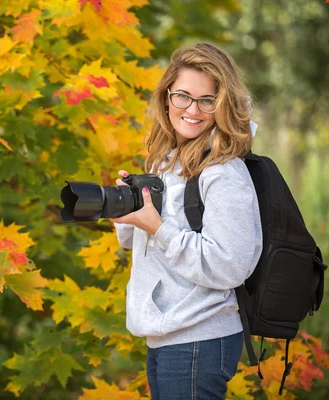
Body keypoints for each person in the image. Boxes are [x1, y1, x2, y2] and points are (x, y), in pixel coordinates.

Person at [108, 43, 263, 399]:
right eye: (183, 96)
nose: (193, 110)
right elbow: (139, 244)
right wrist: (127, 212)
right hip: (167, 331)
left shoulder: (223, 171)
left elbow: (229, 265)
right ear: (166, 98)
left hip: (199, 336)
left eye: (207, 100)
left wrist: (159, 229)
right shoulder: (165, 161)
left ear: (222, 105)